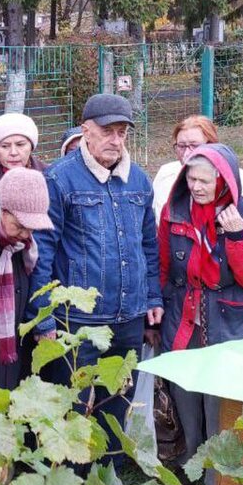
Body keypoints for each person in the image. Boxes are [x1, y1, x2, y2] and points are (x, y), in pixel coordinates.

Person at [30, 94, 163, 465]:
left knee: (116, 404)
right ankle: (67, 483)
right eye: (107, 132)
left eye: (122, 133)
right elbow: (41, 250)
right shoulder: (59, 179)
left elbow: (148, 244)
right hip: (78, 320)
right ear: (86, 130)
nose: (115, 140)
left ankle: (109, 483)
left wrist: (152, 298)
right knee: (70, 404)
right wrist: (43, 316)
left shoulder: (138, 180)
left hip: (129, 316)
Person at [159, 144, 243, 467]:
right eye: (191, 178)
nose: (196, 187)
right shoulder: (175, 211)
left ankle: (218, 476)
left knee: (221, 398)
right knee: (185, 388)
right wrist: (159, 311)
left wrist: (237, 238)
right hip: (185, 314)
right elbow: (164, 265)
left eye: (205, 181)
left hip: (231, 318)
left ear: (224, 180)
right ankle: (189, 462)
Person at [0, 168, 55, 388]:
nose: (26, 235)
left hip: (16, 359)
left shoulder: (24, 250)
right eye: (19, 226)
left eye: (32, 228)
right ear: (0, 211)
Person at [152, 115, 243, 218]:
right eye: (181, 146)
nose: (186, 154)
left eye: (194, 146)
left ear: (212, 145)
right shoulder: (165, 174)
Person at [0, 112, 46, 184]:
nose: (13, 152)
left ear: (31, 147)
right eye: (5, 146)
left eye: (20, 144)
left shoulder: (50, 177)